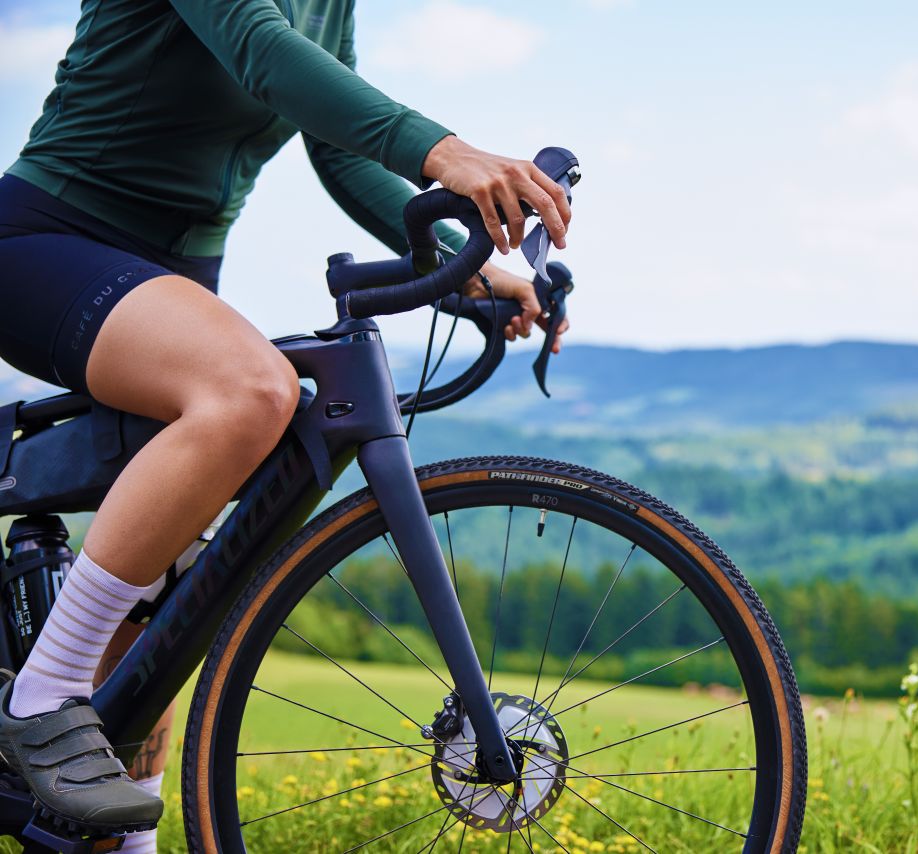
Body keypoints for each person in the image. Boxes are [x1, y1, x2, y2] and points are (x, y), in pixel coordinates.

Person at [0, 1, 570, 848]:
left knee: (173, 584)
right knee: (254, 393)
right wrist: (444, 151)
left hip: (174, 272)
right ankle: (43, 697)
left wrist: (469, 264)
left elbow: (336, 146)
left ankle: (120, 838)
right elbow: (263, 56)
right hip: (52, 237)